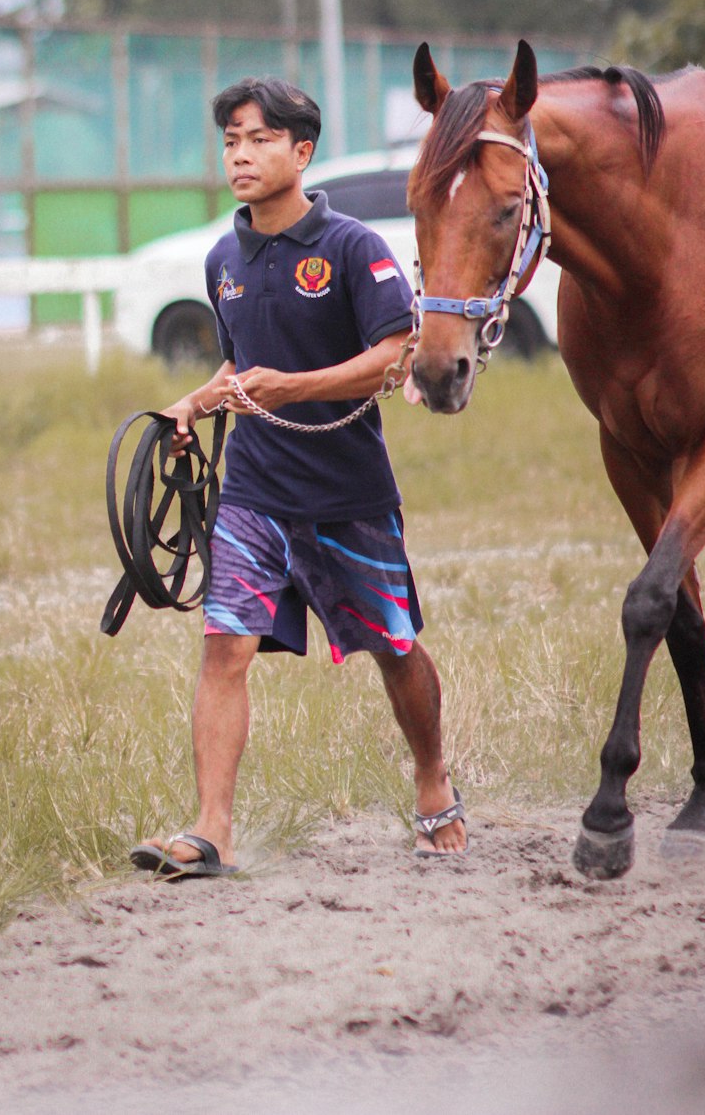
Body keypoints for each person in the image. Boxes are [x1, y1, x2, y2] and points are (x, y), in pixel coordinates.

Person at [130, 76, 467, 877]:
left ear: (301, 151)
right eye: (230, 142)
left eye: (258, 140)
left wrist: (292, 387)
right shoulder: (223, 257)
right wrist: (193, 406)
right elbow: (239, 363)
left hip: (349, 492)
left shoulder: (354, 248)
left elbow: (393, 355)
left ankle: (431, 777)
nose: (240, 156)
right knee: (224, 650)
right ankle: (212, 830)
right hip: (253, 491)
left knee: (395, 646)